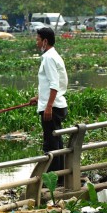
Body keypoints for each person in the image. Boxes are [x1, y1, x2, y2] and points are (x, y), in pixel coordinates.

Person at [29, 27, 68, 174]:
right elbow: (53, 83)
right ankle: (61, 175)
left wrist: (48, 106)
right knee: (56, 142)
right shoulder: (54, 55)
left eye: (38, 39)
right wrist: (39, 98)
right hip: (56, 104)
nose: (37, 42)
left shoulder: (48, 58)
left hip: (53, 107)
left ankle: (53, 178)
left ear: (45, 41)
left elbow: (54, 84)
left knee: (50, 145)